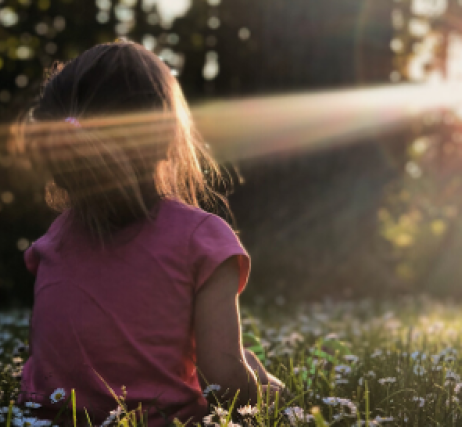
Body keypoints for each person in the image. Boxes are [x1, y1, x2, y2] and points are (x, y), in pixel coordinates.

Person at [14, 40, 284, 426]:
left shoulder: (53, 241)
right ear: (164, 135)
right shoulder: (202, 239)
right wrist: (270, 392)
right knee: (252, 372)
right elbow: (223, 382)